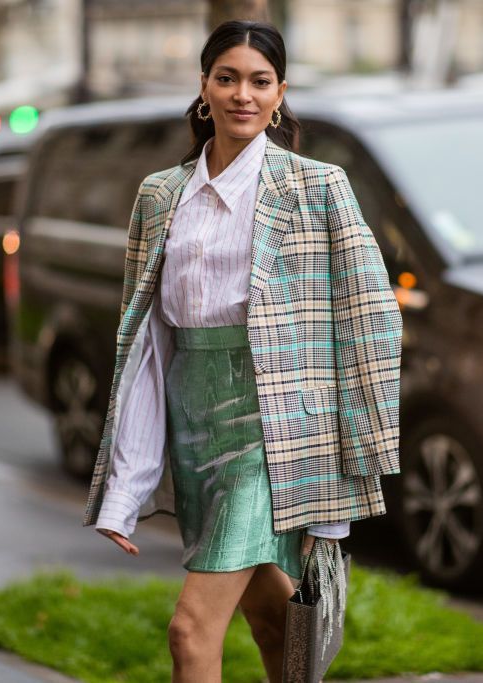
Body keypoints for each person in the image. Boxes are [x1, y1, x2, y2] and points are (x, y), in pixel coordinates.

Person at [82, 20, 402, 683]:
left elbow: (368, 322)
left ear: (280, 93)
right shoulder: (159, 196)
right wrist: (125, 483)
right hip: (195, 421)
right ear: (203, 87)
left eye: (259, 81)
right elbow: (144, 342)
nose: (242, 94)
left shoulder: (318, 188)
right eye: (226, 78)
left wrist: (349, 472)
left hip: (274, 430)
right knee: (275, 622)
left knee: (190, 629)